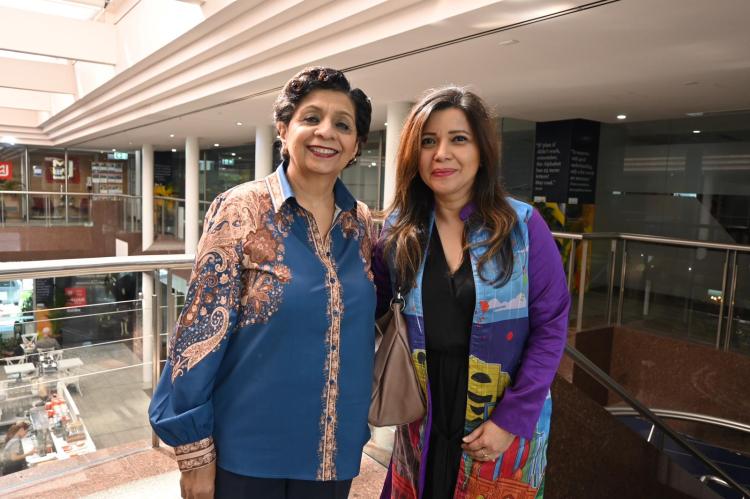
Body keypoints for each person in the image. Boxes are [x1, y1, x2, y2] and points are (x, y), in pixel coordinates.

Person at [149, 67, 375, 499]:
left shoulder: (360, 223)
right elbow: (198, 334)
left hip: (333, 452)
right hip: (248, 456)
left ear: (356, 145)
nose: (326, 132)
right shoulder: (240, 209)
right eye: (311, 118)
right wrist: (194, 453)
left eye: (343, 125)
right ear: (284, 129)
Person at [374, 87, 570, 498]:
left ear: (482, 151)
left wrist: (511, 420)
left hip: (497, 411)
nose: (441, 153)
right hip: (423, 408)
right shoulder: (398, 231)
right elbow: (370, 310)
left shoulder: (522, 227)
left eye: (458, 139)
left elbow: (551, 327)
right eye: (429, 141)